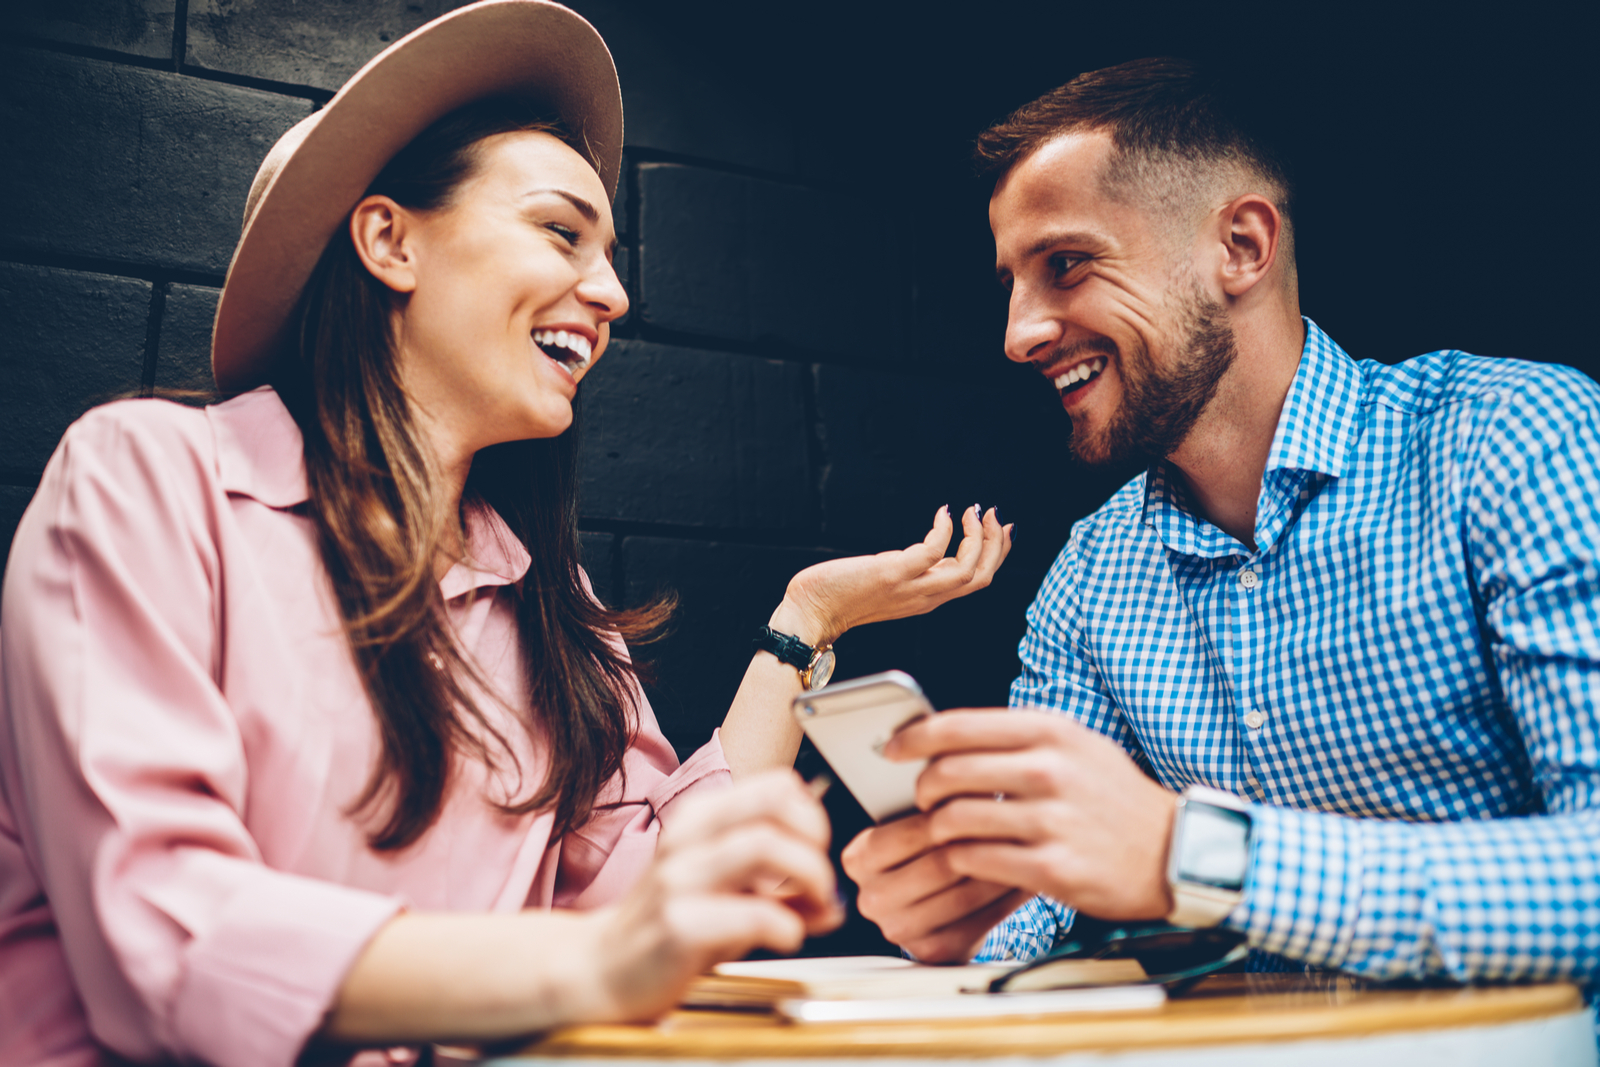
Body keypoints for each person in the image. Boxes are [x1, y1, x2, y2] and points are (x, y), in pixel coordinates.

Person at [0, 3, 1013, 1063]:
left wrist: (805, 619)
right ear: (390, 241)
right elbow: (158, 930)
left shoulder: (548, 595)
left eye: (610, 251)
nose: (613, 293)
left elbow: (640, 899)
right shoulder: (146, 477)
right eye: (560, 231)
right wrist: (592, 965)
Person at [842, 56, 1600, 996]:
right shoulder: (1092, 574)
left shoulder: (1513, 441)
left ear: (1242, 246)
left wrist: (1197, 856)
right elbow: (1033, 910)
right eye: (1013, 283)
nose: (1020, 332)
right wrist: (966, 907)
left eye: (1065, 265)